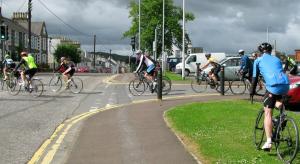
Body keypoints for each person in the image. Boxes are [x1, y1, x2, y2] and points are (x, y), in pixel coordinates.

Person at [250, 43, 290, 151]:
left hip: (273, 86)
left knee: (267, 113)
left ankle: (268, 142)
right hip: (285, 85)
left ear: (259, 52)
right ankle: (279, 117)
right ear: (270, 50)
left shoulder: (258, 60)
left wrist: (252, 92)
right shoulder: (276, 59)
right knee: (275, 101)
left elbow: (254, 78)